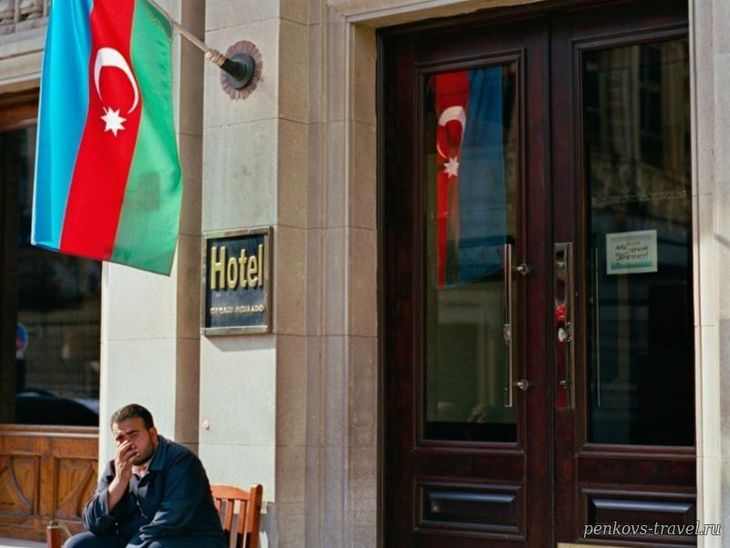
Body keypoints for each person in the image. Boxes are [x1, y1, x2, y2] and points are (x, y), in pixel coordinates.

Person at [65, 403, 226, 548]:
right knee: (77, 545)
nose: (128, 444)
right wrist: (120, 481)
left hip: (190, 538)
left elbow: (170, 521)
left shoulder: (181, 461)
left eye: (134, 435)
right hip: (138, 539)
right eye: (120, 438)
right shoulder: (115, 467)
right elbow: (92, 523)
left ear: (152, 434)